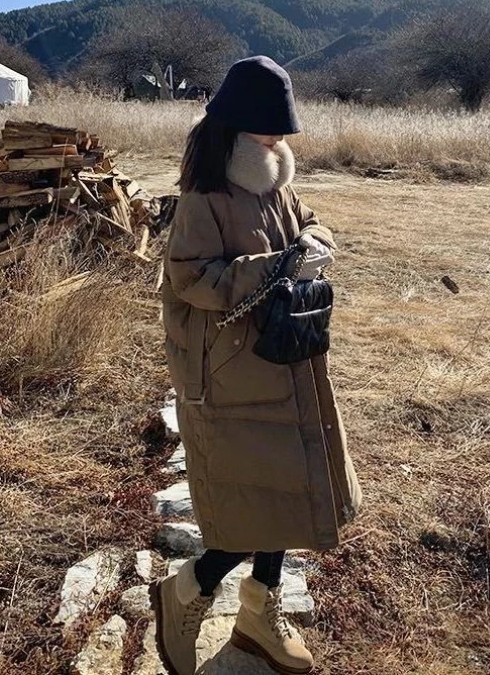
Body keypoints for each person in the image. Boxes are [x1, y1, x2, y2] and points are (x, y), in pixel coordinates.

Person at [151, 56, 362, 675]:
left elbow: (303, 224)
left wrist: (314, 240)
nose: (281, 142)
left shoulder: (275, 183)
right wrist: (275, 267)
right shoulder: (204, 200)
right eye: (271, 132)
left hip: (286, 355)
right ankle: (187, 590)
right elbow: (190, 280)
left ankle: (257, 617)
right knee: (251, 497)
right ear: (239, 131)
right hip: (230, 372)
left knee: (289, 488)